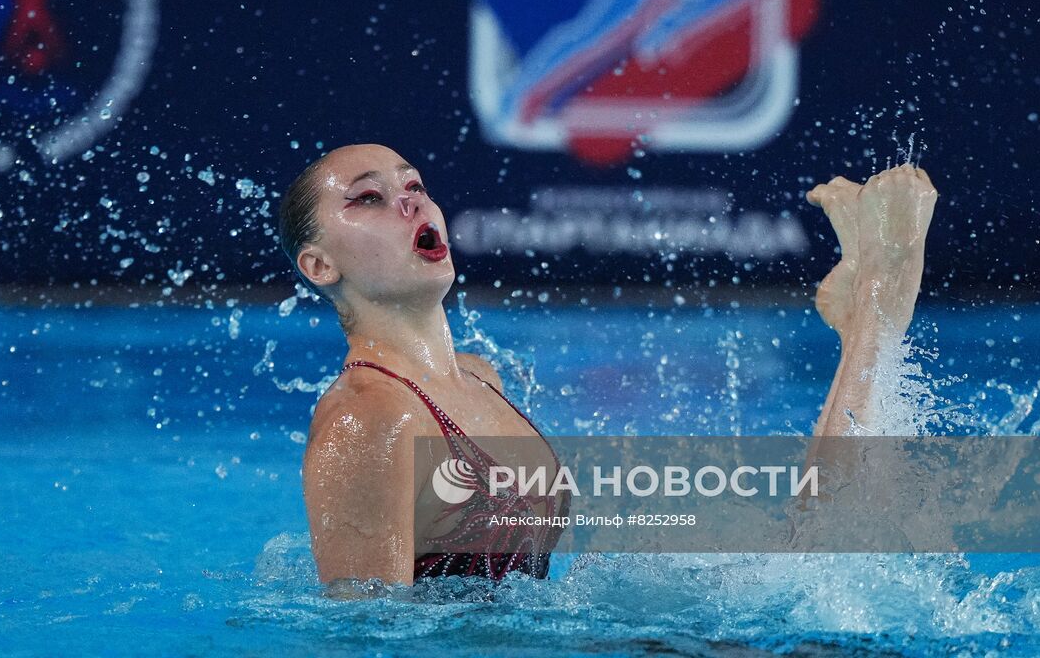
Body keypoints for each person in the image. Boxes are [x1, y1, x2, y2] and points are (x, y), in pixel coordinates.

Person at [277, 143, 937, 590]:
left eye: (415, 186)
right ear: (318, 266)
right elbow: (363, 637)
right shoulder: (368, 417)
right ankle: (873, 317)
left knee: (802, 568)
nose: (410, 203)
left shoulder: (478, 380)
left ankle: (867, 330)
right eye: (367, 198)